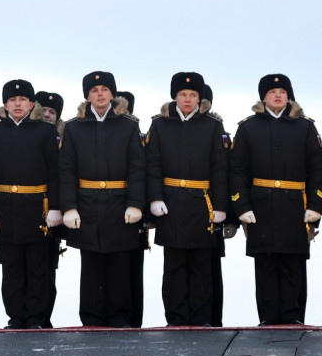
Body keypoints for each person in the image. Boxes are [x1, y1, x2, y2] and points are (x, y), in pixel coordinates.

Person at [230, 74, 322, 325]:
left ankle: (293, 319)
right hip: (261, 206)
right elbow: (237, 170)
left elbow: (317, 169)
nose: (278, 95)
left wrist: (316, 205)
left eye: (282, 91)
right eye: (272, 92)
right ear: (263, 97)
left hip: (296, 205)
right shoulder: (248, 127)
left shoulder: (305, 127)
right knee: (266, 265)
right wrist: (242, 206)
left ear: (289, 95)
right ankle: (268, 319)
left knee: (293, 264)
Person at [60, 71, 145, 328]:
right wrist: (69, 207)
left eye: (104, 90)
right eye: (94, 90)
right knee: (91, 264)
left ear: (112, 94)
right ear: (87, 95)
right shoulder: (74, 127)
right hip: (86, 204)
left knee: (119, 264)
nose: (100, 94)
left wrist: (135, 203)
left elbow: (137, 168)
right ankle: (92, 319)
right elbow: (66, 170)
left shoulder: (128, 125)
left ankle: (119, 318)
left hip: (120, 203)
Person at [146, 73, 228, 326]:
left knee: (202, 266)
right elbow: (152, 165)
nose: (188, 100)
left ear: (200, 98)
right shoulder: (159, 125)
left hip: (203, 204)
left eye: (193, 95)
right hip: (170, 203)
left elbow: (220, 169)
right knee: (174, 267)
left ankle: (201, 319)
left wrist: (222, 207)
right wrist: (155, 198)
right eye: (183, 95)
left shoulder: (212, 126)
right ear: (175, 97)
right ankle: (176, 318)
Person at [0, 80, 61, 330]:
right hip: (5, 208)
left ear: (31, 104)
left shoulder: (46, 132)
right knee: (12, 267)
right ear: (5, 104)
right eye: (12, 100)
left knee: (37, 266)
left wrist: (56, 207)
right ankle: (15, 317)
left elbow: (56, 173)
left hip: (38, 208)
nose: (17, 104)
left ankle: (36, 318)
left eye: (22, 100)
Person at [202, 84, 238, 327]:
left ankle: (214, 319)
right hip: (191, 209)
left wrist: (230, 217)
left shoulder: (219, 132)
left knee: (211, 268)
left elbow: (228, 175)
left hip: (213, 210)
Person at [34, 90, 66, 329]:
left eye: (52, 112)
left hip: (51, 211)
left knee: (46, 268)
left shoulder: (64, 139)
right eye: (43, 110)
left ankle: (43, 317)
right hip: (20, 208)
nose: (46, 115)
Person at [117, 90, 149, 328]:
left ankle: (133, 320)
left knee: (133, 271)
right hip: (107, 210)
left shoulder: (136, 134)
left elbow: (144, 173)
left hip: (134, 212)